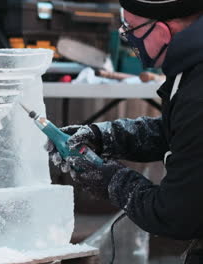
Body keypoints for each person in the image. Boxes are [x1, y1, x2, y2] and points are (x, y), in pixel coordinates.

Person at [47, 0, 203, 263]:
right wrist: (104, 136)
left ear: (163, 31)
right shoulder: (191, 63)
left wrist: (110, 180)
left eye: (130, 29)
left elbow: (175, 215)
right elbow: (179, 131)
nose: (127, 37)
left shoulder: (198, 90)